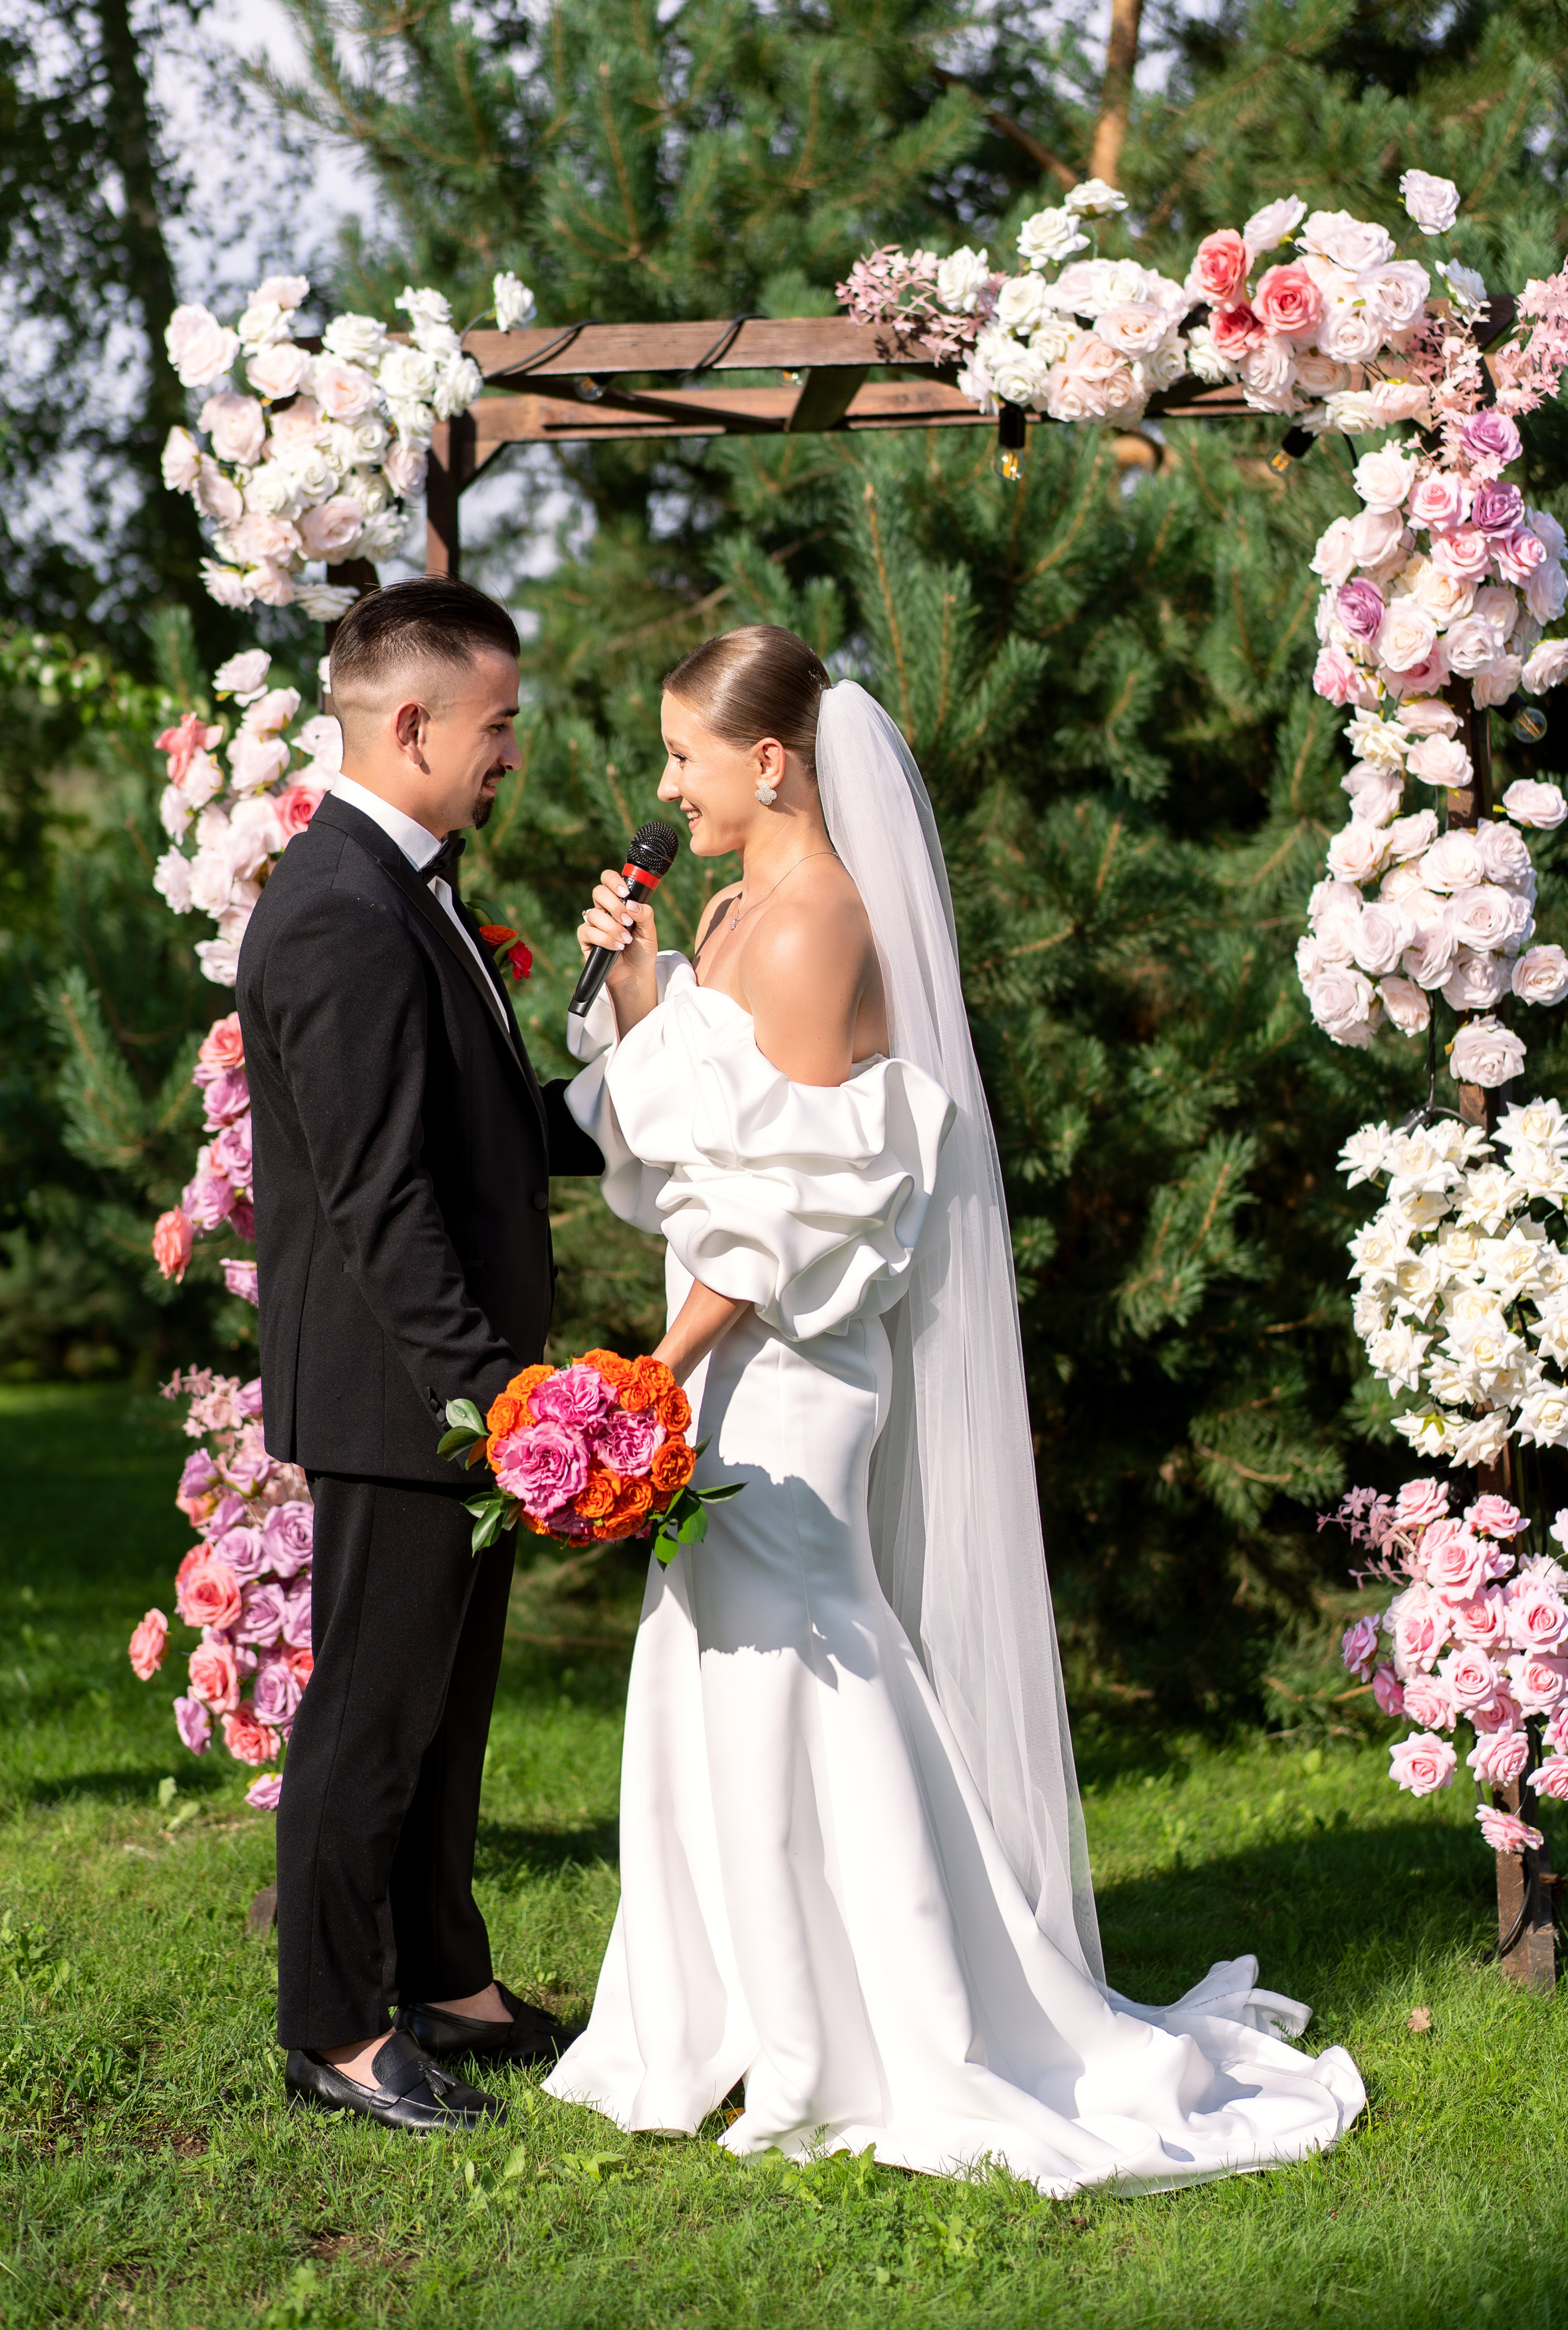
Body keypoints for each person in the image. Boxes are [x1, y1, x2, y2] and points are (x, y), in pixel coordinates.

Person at [543, 623, 1366, 2189]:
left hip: (780, 1365)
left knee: (807, 1676)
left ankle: (877, 2033)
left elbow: (783, 1224)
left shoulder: (810, 931)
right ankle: (757, 2015)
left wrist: (651, 1379)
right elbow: (697, 1146)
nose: (662, 786)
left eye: (682, 756)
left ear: (769, 759)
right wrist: (640, 987)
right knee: (729, 1679)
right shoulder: (731, 909)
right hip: (720, 1345)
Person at [237, 576, 602, 2136]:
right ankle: (332, 2025)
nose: (510, 751)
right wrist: (495, 1398)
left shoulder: (408, 889)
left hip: (448, 1392)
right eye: (497, 722)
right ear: (411, 722)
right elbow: (380, 1200)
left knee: (445, 1711)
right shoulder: (337, 907)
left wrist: (637, 1106)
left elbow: (465, 1139)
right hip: (411, 1396)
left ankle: (446, 1978)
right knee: (373, 1715)